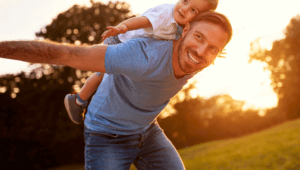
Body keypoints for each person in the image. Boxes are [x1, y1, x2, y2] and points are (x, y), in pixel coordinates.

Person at [0, 11, 232, 170]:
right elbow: (67, 55)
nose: (201, 52)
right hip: (107, 135)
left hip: (147, 131)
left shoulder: (199, 59)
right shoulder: (141, 56)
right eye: (199, 37)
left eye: (213, 48)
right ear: (186, 29)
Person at [64, 0, 219, 124]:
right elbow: (142, 20)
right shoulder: (165, 15)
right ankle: (78, 100)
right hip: (121, 41)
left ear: (200, 18)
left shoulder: (187, 28)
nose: (185, 8)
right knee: (102, 75)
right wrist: (122, 27)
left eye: (193, 10)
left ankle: (126, 116)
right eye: (185, 1)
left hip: (138, 54)